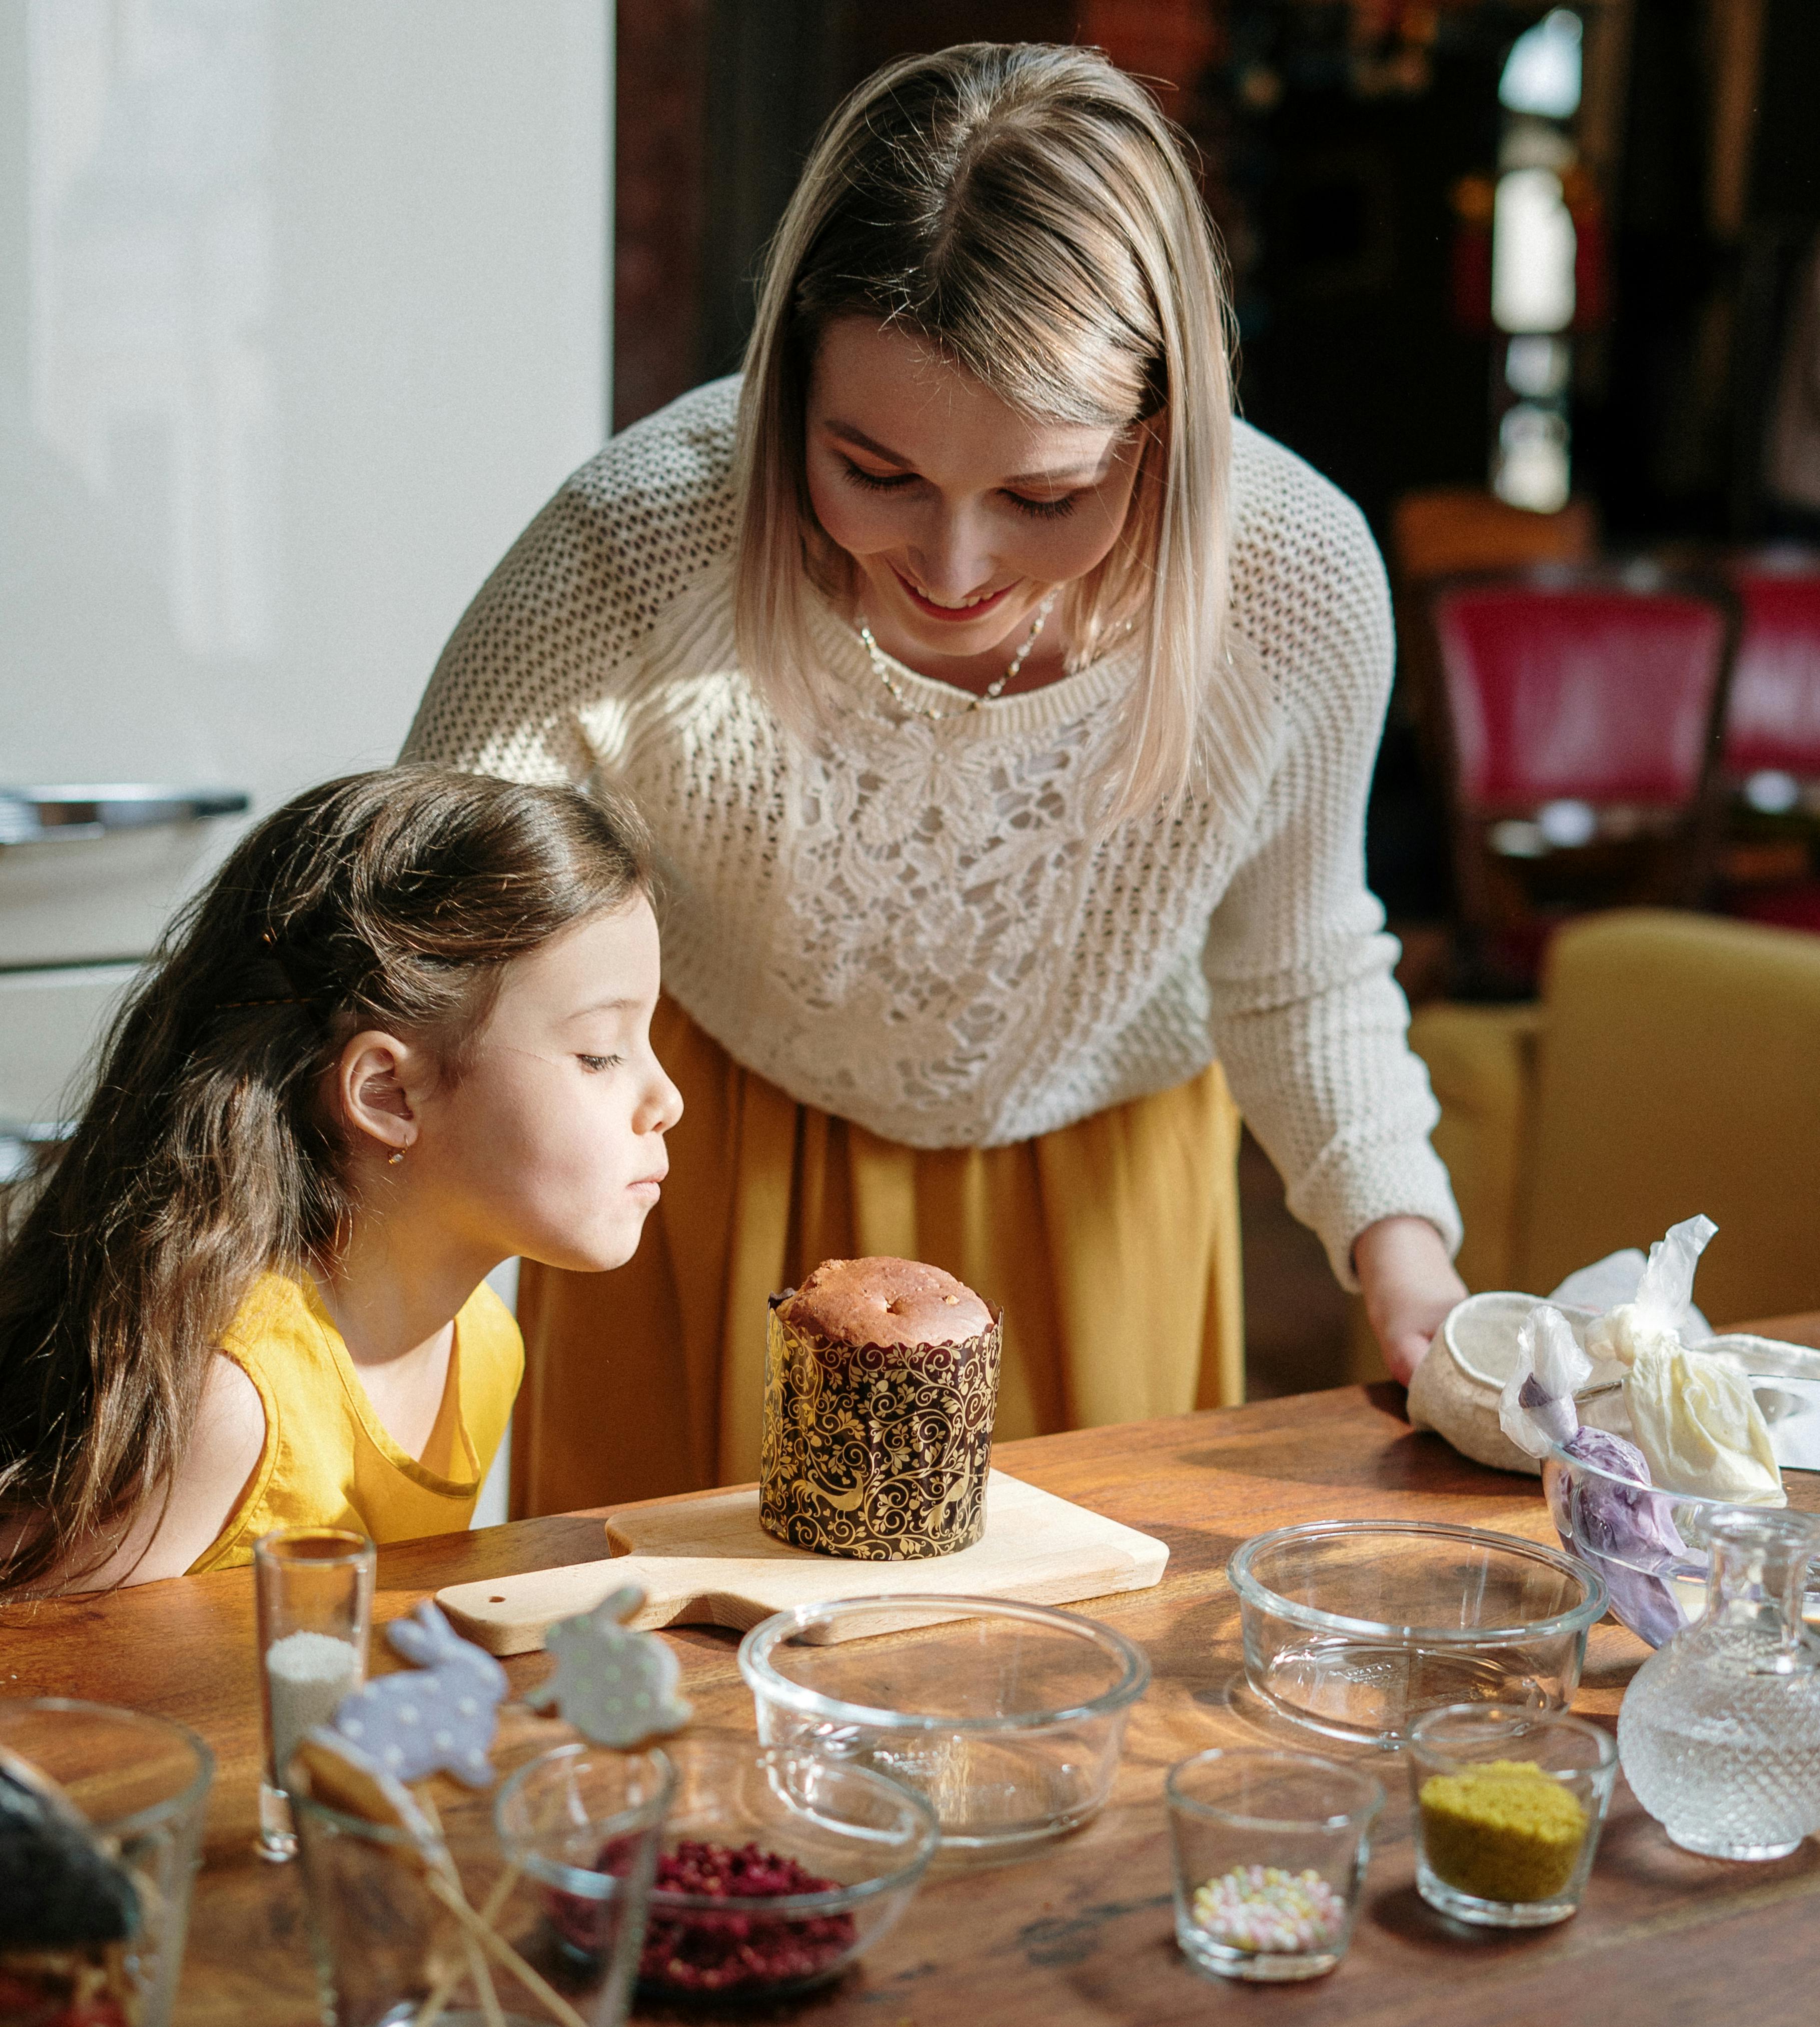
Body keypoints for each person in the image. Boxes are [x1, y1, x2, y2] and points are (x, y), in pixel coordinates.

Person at [406, 41, 1465, 1519]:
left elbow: (1296, 968)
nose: (954, 567)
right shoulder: (635, 544)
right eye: (874, 471)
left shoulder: (1293, 586)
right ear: (786, 397)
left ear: (1162, 435)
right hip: (701, 1185)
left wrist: (1403, 1256)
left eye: (1044, 496)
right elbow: (413, 939)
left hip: (1098, 1209)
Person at [0, 768, 678, 1590]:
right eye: (600, 1052)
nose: (666, 1099)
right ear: (387, 1094)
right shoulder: (229, 1408)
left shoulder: (484, 1347)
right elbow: (37, 1693)